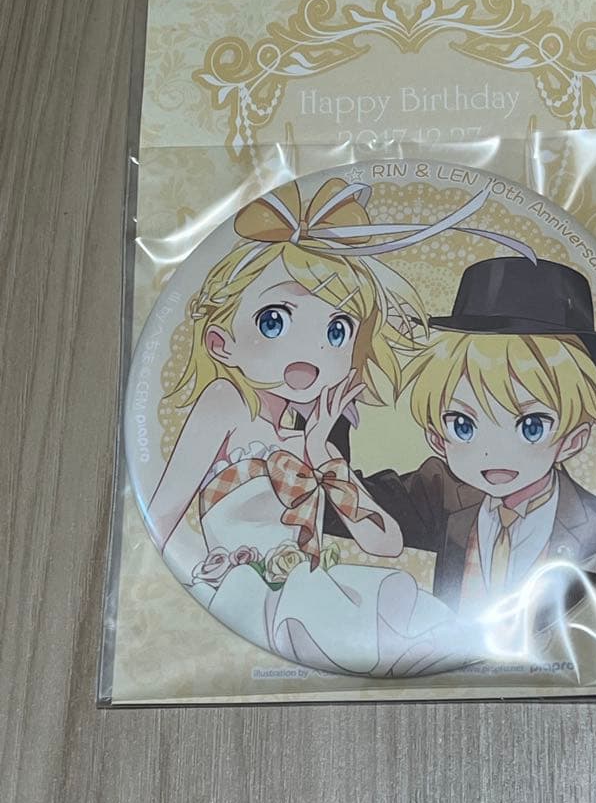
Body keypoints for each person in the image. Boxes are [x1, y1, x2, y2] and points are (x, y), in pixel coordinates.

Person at [146, 176, 482, 677]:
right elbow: (162, 515)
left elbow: (385, 543)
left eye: (336, 330)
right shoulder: (225, 403)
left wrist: (322, 450)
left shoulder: (309, 440)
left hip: (308, 591)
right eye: (274, 322)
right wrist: (198, 579)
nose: (311, 350)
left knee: (399, 619)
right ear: (221, 343)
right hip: (241, 595)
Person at [352, 256, 596, 638]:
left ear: (574, 439)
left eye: (531, 426)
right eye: (464, 425)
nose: (494, 452)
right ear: (437, 437)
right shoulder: (439, 493)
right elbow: (351, 507)